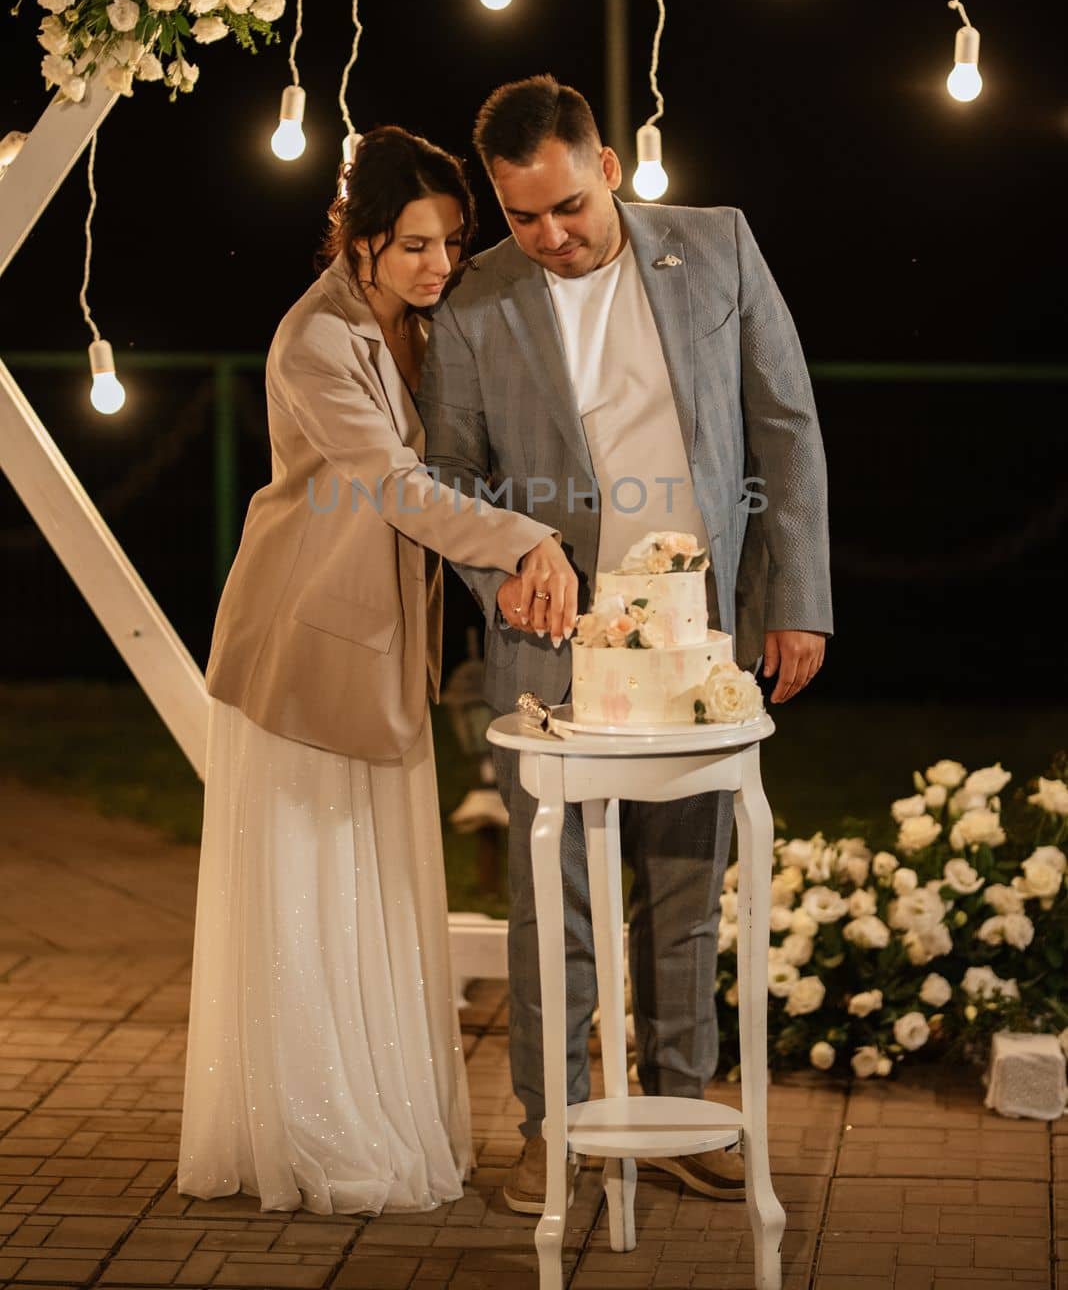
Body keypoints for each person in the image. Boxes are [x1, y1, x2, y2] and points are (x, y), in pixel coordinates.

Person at [418, 76, 832, 1211]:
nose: (549, 237)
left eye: (566, 208)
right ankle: (551, 1128)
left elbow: (786, 427)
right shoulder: (472, 303)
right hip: (552, 649)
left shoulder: (719, 247)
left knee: (688, 886)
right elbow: (448, 478)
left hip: (702, 639)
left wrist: (797, 598)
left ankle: (688, 1110)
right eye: (522, 218)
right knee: (555, 902)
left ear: (609, 168)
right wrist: (506, 571)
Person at [178, 125, 578, 1216]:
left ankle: (387, 1111)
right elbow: (399, 490)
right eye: (413, 245)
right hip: (305, 648)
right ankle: (321, 1136)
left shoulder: (414, 328)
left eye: (450, 240)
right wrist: (527, 543)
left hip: (380, 650)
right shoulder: (317, 340)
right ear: (357, 244)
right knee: (316, 894)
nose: (439, 264)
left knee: (382, 892)